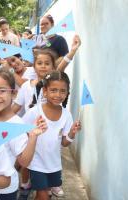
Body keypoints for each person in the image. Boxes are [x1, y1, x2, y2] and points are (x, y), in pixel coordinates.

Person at [0, 68, 47, 200]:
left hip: (4, 190)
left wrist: (33, 137)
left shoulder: (16, 124)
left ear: (13, 94)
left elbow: (24, 162)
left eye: (1, 91)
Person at [22, 70, 81, 200]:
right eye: (53, 90)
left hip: (54, 164)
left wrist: (72, 132)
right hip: (36, 163)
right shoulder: (34, 112)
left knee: (42, 195)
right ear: (45, 91)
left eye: (62, 91)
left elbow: (65, 143)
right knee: (43, 195)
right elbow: (21, 133)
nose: (58, 95)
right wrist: (32, 137)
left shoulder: (66, 115)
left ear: (67, 93)